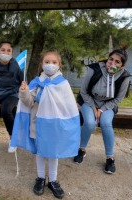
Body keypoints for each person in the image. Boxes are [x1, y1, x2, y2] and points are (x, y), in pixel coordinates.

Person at [10, 50, 80, 199]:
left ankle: (53, 181)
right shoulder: (37, 83)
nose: (50, 65)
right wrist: (24, 92)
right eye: (47, 62)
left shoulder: (63, 84)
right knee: (40, 152)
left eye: (54, 62)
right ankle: (40, 178)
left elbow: (67, 106)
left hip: (56, 127)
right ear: (41, 64)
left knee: (53, 153)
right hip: (38, 125)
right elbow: (29, 102)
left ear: (59, 65)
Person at [74, 48, 131, 174]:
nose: (112, 63)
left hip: (108, 104)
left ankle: (110, 158)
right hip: (88, 100)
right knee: (89, 122)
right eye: (111, 59)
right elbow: (83, 91)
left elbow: (118, 99)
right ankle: (82, 149)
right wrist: (94, 108)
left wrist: (102, 109)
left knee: (106, 123)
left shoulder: (125, 76)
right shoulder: (94, 69)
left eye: (117, 62)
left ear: (122, 66)